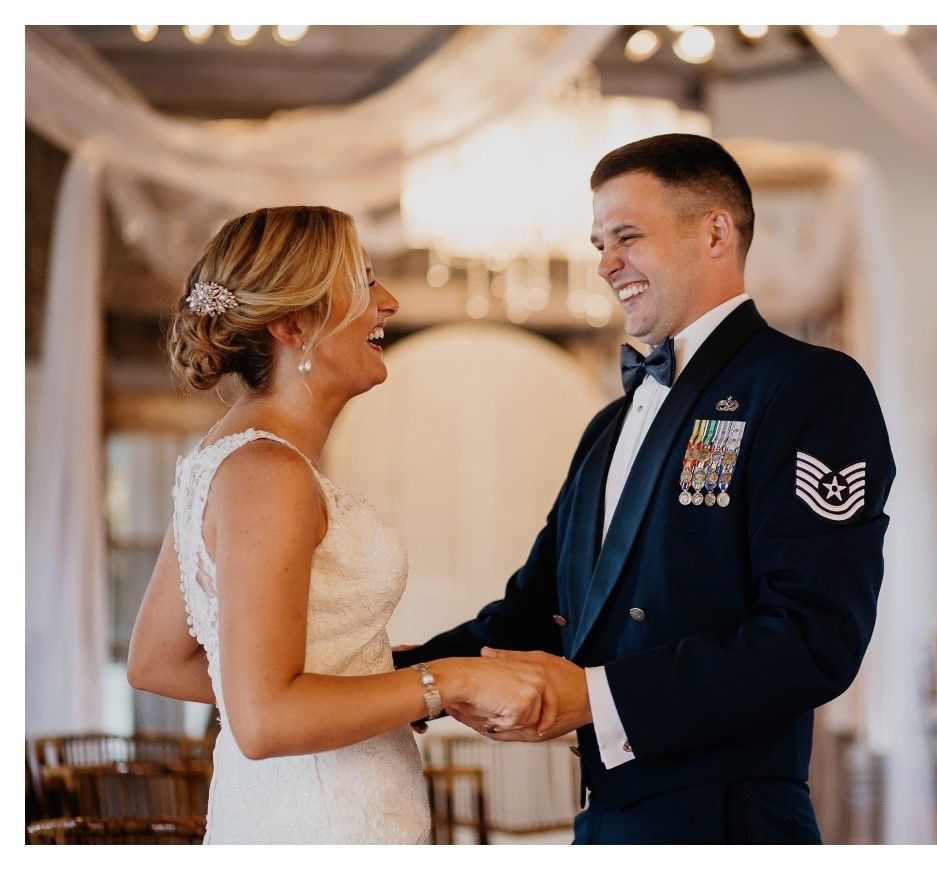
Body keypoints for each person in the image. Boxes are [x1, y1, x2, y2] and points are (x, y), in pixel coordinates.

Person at [394, 134, 895, 844]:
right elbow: (530, 616)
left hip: (729, 826)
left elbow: (816, 638)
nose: (605, 264)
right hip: (606, 822)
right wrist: (384, 683)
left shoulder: (808, 387)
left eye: (627, 236)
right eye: (599, 242)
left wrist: (593, 696)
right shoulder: (608, 425)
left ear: (716, 231)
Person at [127, 205, 556, 844]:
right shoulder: (267, 473)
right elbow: (265, 719)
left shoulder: (232, 454)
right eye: (362, 283)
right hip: (323, 828)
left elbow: (158, 663)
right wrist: (444, 683)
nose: (387, 302)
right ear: (292, 323)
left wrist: (363, 689)